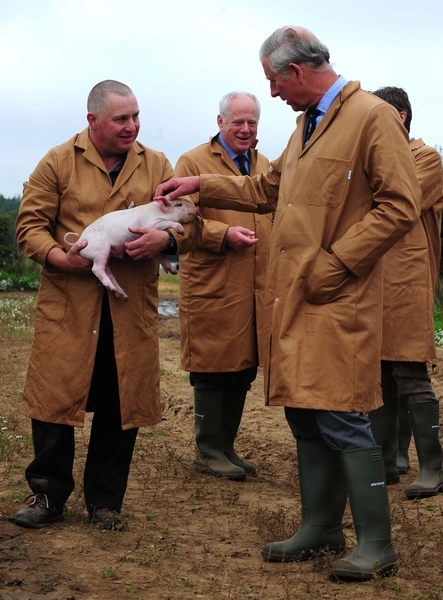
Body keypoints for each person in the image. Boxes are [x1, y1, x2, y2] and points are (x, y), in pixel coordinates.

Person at [155, 27, 422, 581]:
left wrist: (337, 264)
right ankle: (319, 526)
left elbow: (401, 205)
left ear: (296, 73)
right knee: (304, 413)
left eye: (273, 82)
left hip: (338, 296)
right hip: (298, 298)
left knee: (343, 414)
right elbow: (265, 191)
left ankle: (377, 542)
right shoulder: (307, 125)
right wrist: (198, 184)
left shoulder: (370, 117)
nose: (272, 95)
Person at [13, 80, 202, 530]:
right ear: (92, 120)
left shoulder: (157, 163)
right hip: (70, 306)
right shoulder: (58, 162)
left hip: (129, 306)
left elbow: (191, 222)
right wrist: (63, 258)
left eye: (136, 116)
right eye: (121, 119)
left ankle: (105, 502)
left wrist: (166, 239)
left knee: (121, 405)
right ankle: (46, 495)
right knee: (54, 401)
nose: (132, 126)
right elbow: (30, 227)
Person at [175, 92, 272, 480]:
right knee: (212, 366)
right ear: (220, 122)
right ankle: (208, 449)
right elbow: (179, 219)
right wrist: (222, 233)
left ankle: (226, 446)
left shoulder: (264, 165)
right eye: (238, 123)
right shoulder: (193, 161)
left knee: (242, 366)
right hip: (213, 281)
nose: (246, 130)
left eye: (252, 123)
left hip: (254, 286)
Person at [368, 86, 443, 498]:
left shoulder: (425, 158)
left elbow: (396, 200)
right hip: (376, 281)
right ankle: (391, 459)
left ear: (399, 117)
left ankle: (433, 464)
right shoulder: (381, 161)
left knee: (411, 371)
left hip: (409, 283)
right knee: (381, 374)